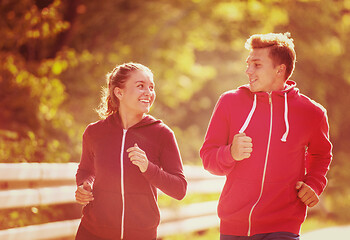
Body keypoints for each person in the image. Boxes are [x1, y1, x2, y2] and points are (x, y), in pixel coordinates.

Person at [200, 33, 332, 240]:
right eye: (248, 64)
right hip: (235, 226)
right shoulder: (229, 103)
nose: (248, 70)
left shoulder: (312, 113)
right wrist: (230, 153)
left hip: (284, 225)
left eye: (256, 65)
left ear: (279, 70)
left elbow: (321, 154)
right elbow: (208, 158)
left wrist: (314, 183)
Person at [74, 62, 187, 240]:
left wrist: (148, 168)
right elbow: (86, 171)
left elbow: (179, 189)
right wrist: (84, 185)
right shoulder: (94, 132)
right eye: (140, 86)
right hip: (93, 232)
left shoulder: (161, 134)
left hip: (140, 235)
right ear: (119, 92)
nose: (148, 93)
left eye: (151, 87)